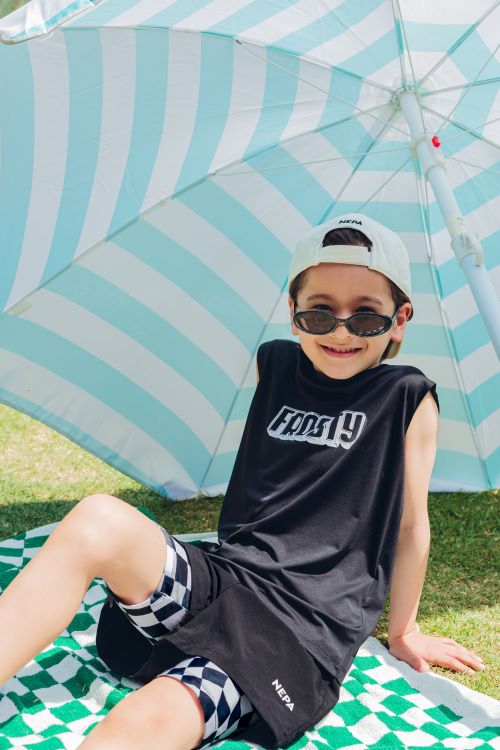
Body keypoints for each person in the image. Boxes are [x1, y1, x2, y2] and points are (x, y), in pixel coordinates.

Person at [0, 213, 485, 750]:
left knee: (145, 717)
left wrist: (404, 630)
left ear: (399, 320)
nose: (341, 330)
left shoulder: (407, 398)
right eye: (319, 313)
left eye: (366, 316)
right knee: (98, 518)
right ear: (294, 314)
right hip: (221, 584)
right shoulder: (275, 363)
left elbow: (411, 526)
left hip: (295, 631)